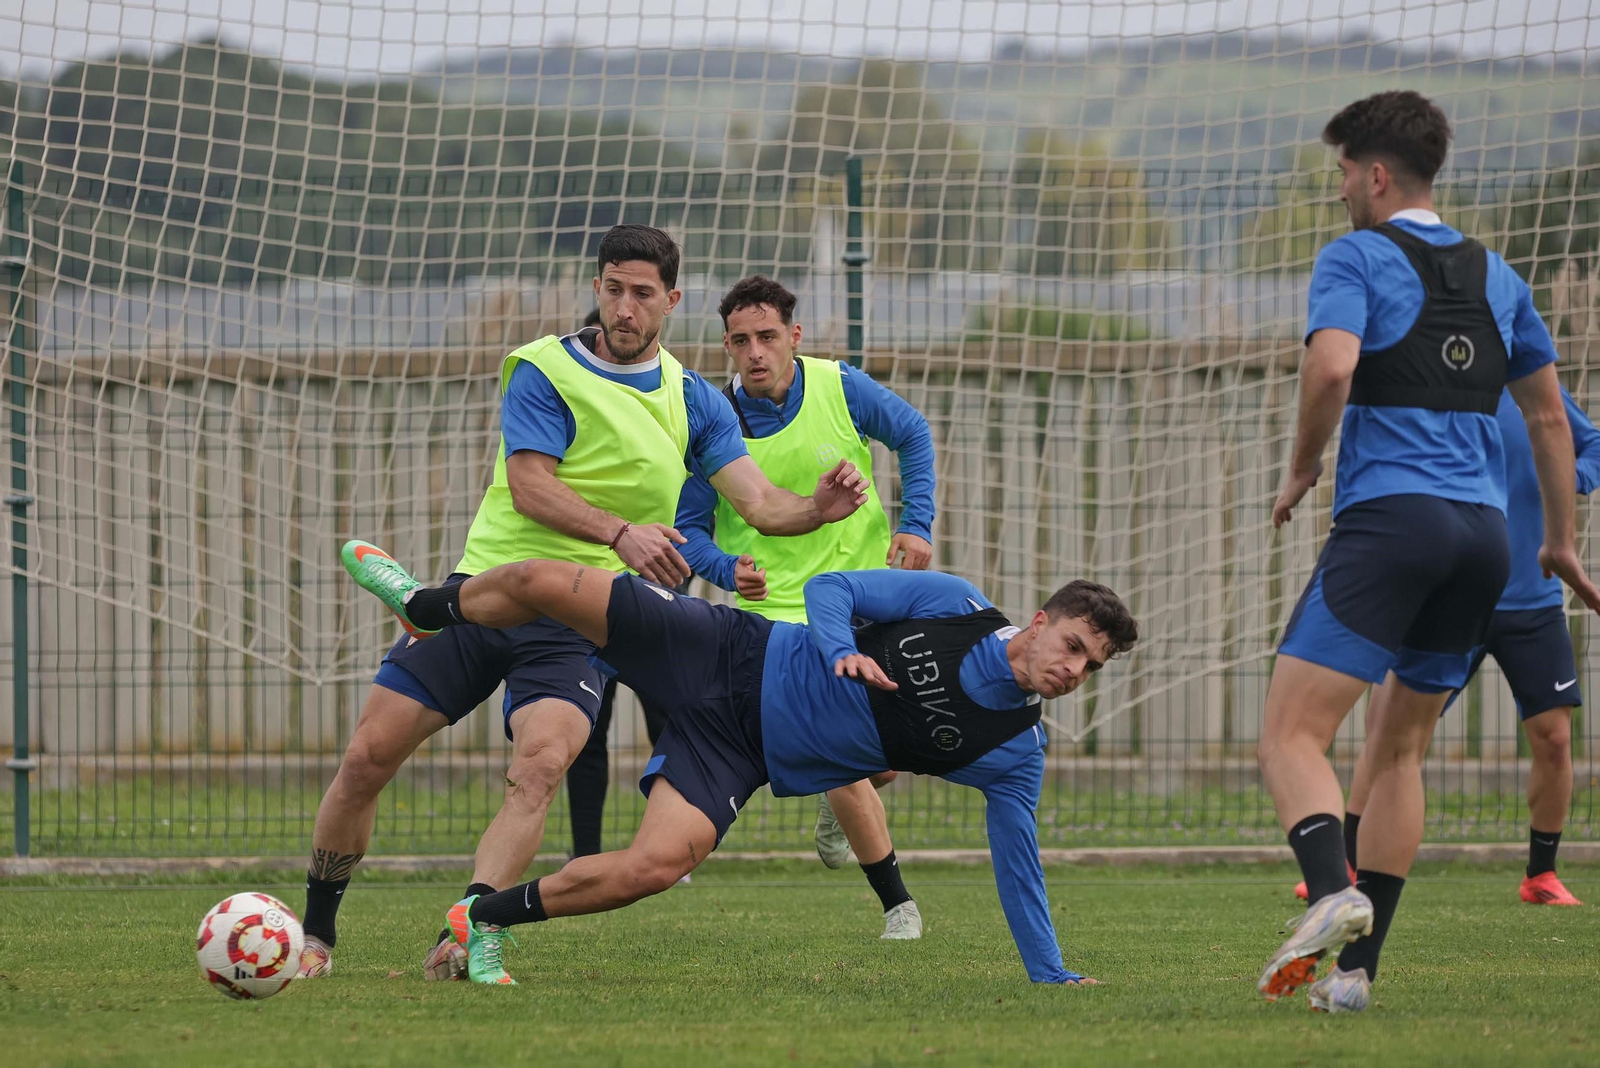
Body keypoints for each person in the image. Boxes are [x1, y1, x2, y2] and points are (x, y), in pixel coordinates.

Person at [297, 224, 869, 982]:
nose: (624, 308)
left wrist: (819, 509)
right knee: (368, 758)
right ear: (596, 287)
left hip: (576, 625)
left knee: (538, 768)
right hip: (487, 593)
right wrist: (621, 532)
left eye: (641, 294)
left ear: (672, 300)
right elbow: (531, 485)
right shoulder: (545, 368)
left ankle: (467, 933)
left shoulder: (694, 399)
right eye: (612, 288)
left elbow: (762, 504)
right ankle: (314, 936)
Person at [339, 543, 1137, 987]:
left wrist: (1053, 976)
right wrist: (839, 654)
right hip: (727, 651)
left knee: (656, 865)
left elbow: (1019, 865)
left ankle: (478, 920)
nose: (1074, 670)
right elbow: (833, 588)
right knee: (548, 582)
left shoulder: (1013, 751)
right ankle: (427, 606)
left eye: (1091, 667)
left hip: (740, 751)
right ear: (1039, 621)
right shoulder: (955, 605)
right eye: (1072, 646)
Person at [1259, 89, 1600, 1013]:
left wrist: (1300, 469)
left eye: (1341, 175)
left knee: (1292, 732)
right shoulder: (1501, 278)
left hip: (1393, 524)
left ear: (1375, 176)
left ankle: (1333, 892)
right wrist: (1561, 542)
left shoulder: (1356, 256)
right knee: (1401, 748)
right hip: (1488, 541)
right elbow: (1546, 418)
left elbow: (1330, 366)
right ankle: (1356, 980)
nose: (1338, 192)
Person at [674, 275, 937, 938]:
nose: (755, 351)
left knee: (883, 759)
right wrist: (728, 572)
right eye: (741, 340)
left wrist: (918, 524)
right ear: (727, 347)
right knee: (844, 748)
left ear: (794, 337)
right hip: (782, 619)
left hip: (869, 594)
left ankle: (836, 798)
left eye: (767, 336)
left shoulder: (839, 386)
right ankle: (899, 907)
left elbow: (912, 433)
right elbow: (692, 532)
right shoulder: (712, 422)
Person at [1299, 386, 1598, 907]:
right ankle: (1344, 865)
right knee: (1388, 733)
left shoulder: (1531, 391)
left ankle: (1541, 875)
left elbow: (1591, 444)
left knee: (1553, 738)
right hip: (1453, 596)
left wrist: (1566, 477)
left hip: (1533, 599)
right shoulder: (1428, 389)